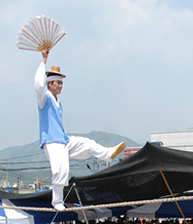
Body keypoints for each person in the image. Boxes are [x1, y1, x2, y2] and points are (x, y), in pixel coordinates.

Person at [35, 48, 125, 211]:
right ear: (50, 83)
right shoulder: (44, 98)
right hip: (52, 141)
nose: (61, 85)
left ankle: (107, 154)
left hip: (63, 140)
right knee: (60, 170)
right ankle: (57, 202)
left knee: (87, 143)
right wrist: (43, 60)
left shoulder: (57, 101)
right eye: (58, 82)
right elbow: (38, 85)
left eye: (62, 82)